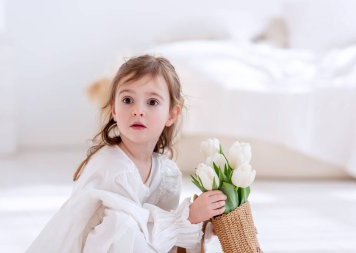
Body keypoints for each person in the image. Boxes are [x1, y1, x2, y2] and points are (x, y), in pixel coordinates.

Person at [26, 55, 227, 253]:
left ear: (172, 114)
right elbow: (132, 235)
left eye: (152, 102)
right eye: (128, 100)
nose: (138, 110)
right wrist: (188, 217)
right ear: (113, 109)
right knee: (120, 224)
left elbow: (163, 238)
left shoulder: (167, 174)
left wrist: (201, 225)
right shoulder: (112, 167)